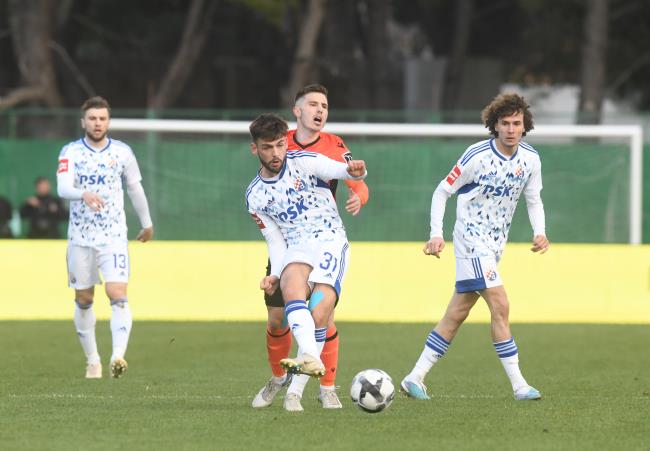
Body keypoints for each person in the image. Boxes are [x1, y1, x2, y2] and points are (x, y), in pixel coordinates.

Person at [400, 93, 550, 401]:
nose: (511, 129)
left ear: (525, 126)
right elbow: (442, 191)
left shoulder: (531, 159)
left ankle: (414, 377)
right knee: (501, 305)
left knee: (457, 312)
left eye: (516, 123)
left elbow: (534, 199)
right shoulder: (476, 155)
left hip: (494, 246)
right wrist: (436, 234)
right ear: (495, 125)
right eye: (505, 123)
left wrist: (540, 232)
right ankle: (520, 385)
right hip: (470, 240)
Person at [252, 84, 369, 410]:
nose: (320, 110)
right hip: (291, 244)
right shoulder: (279, 139)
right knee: (277, 318)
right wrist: (275, 271)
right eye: (314, 104)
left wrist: (358, 191)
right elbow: (272, 228)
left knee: (322, 315)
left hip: (326, 238)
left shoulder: (330, 147)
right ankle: (279, 378)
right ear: (297, 110)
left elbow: (350, 175)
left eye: (325, 106)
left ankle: (322, 386)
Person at [56, 96, 154, 379]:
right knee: (84, 298)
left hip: (113, 236)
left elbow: (134, 188)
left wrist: (146, 223)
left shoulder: (122, 152)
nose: (97, 123)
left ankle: (117, 356)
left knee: (117, 293)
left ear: (108, 122)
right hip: (80, 238)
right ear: (83, 122)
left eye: (102, 118)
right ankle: (93, 360)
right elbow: (63, 188)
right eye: (92, 118)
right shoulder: (71, 152)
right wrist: (83, 193)